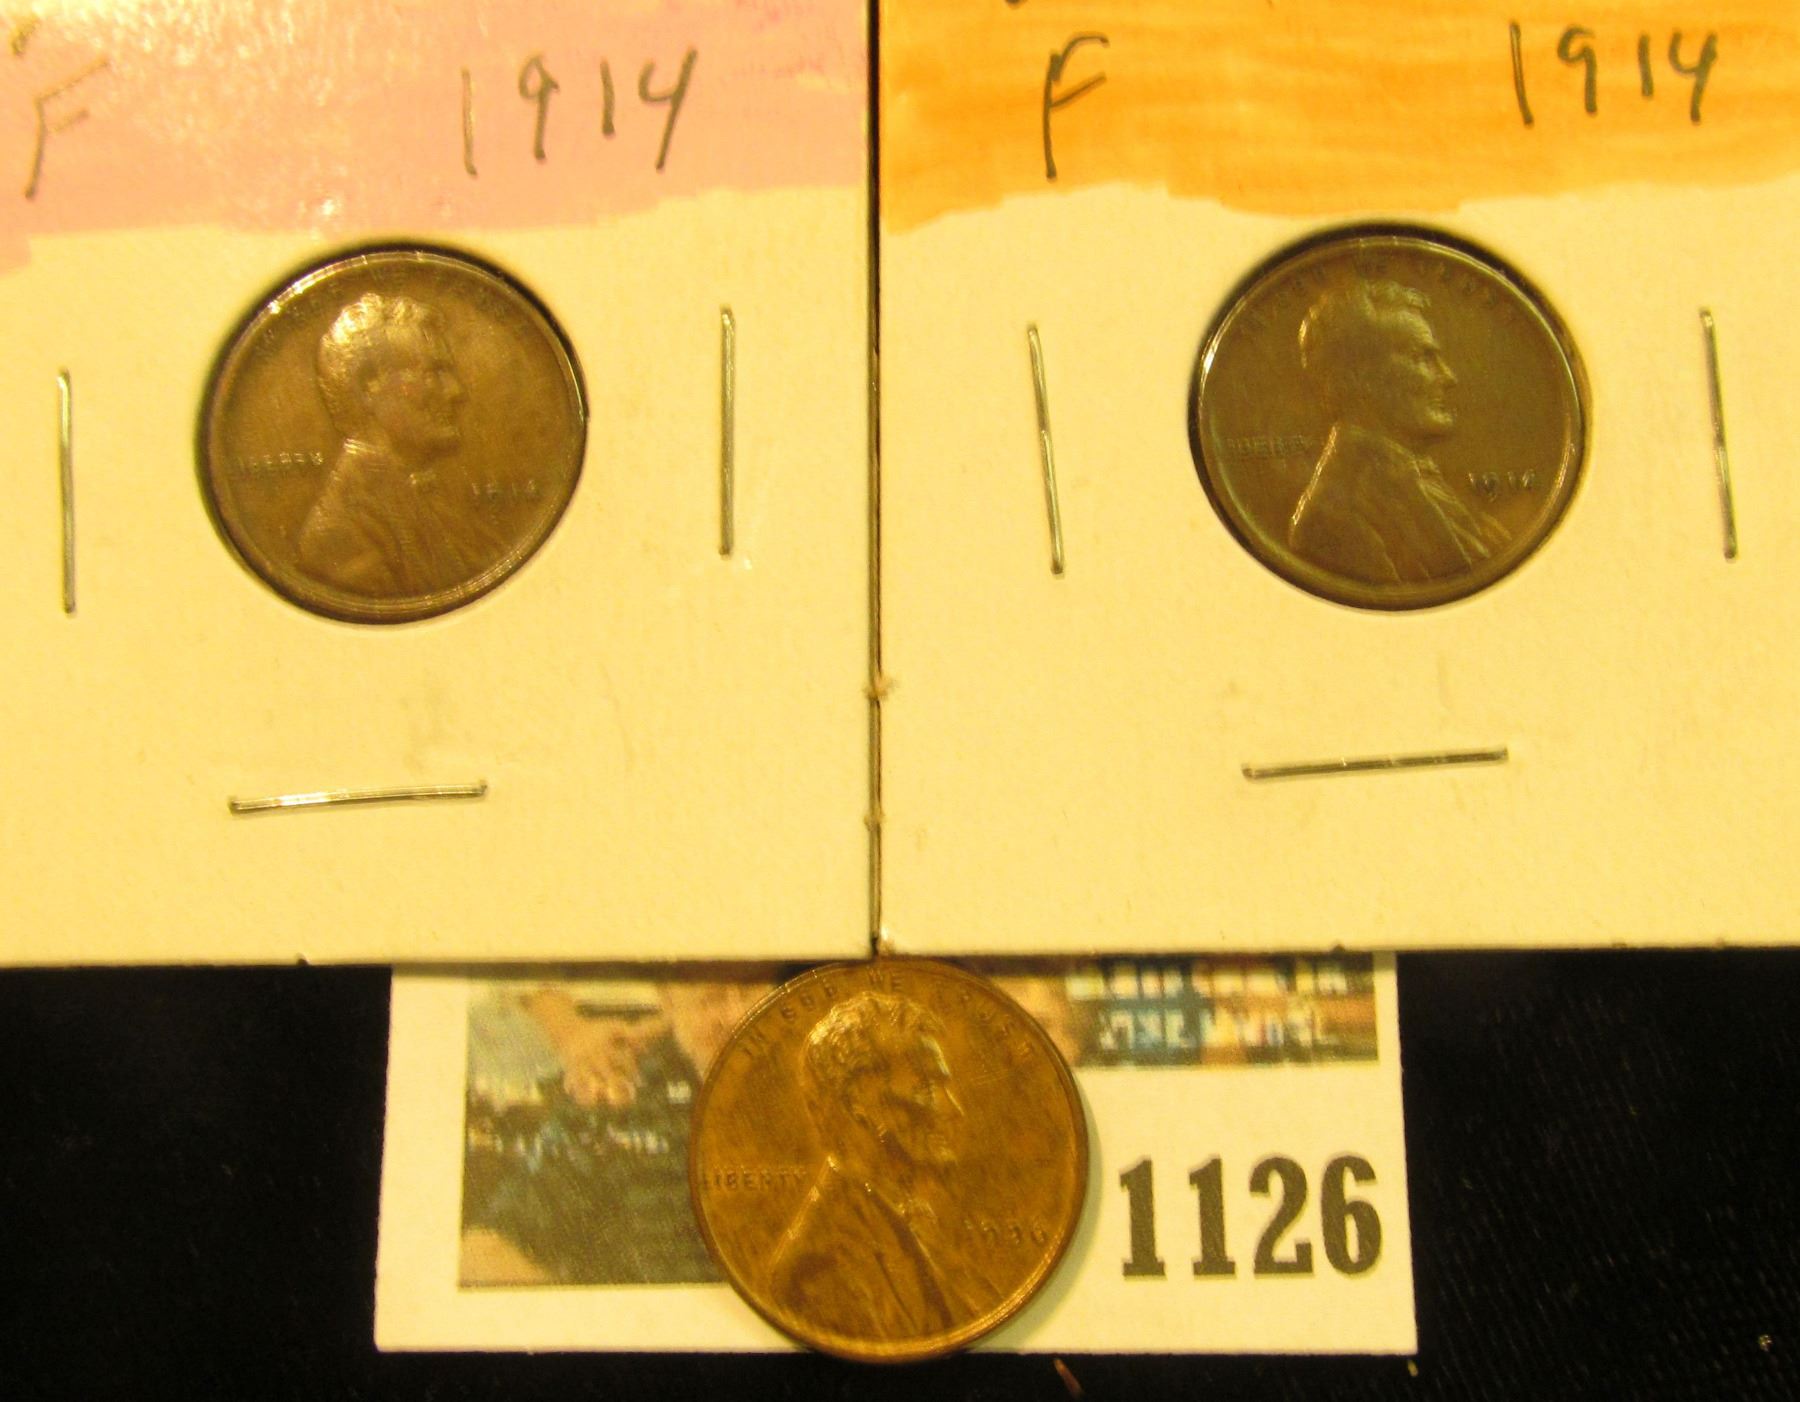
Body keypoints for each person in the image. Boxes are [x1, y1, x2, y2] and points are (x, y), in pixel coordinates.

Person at [459, 977, 770, 1287]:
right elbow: (486, 1248)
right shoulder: (618, 1094)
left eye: (749, 990)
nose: (737, 1016)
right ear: (669, 1001)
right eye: (712, 998)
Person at [765, 992, 1001, 1339]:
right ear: (860, 1101)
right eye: (926, 1087)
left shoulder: (914, 1221)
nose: (953, 1109)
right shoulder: (818, 1266)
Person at [1288, 280, 1509, 584]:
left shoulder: (1412, 481)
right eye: (1421, 357)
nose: (1448, 377)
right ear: (1358, 377)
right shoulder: (1330, 520)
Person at [297, 292, 503, 596]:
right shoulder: (339, 534)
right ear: (368, 386)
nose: (456, 391)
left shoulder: (431, 500)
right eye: (433, 373)